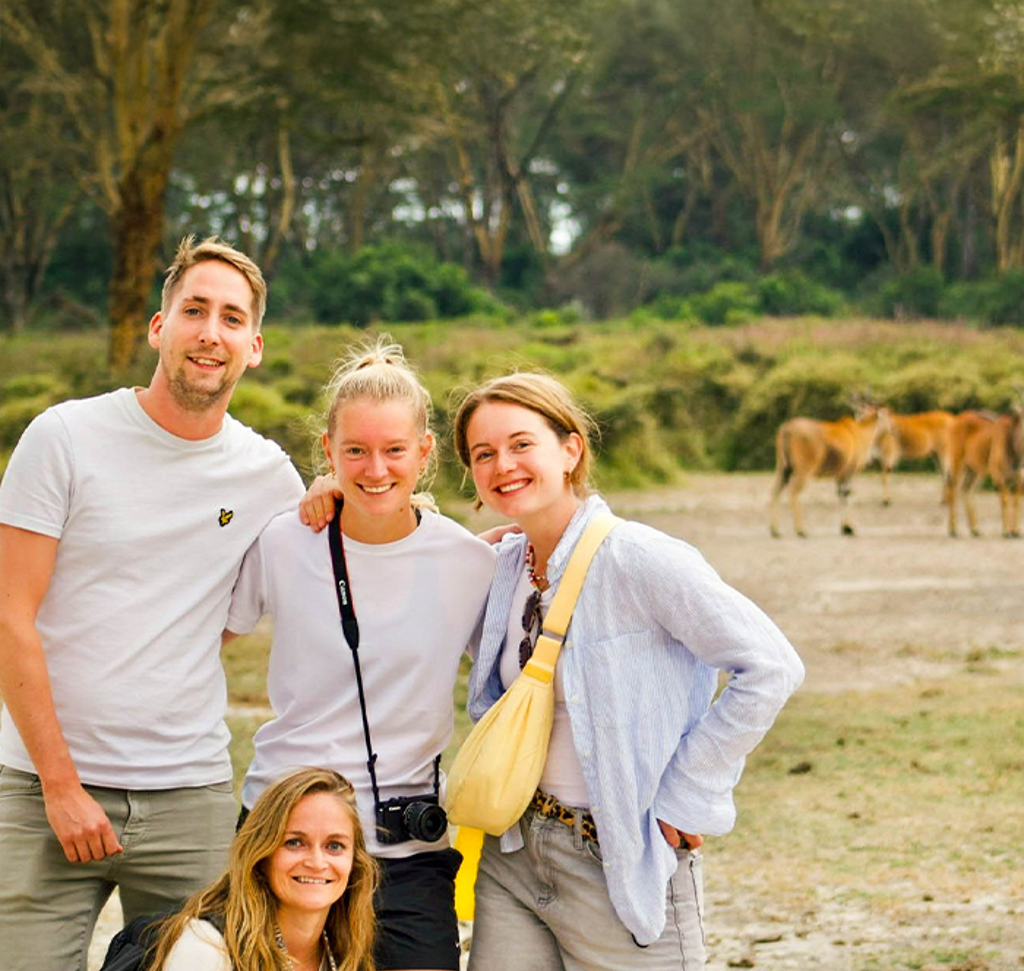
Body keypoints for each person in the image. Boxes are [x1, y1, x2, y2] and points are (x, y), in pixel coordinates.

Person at [0, 236, 305, 971]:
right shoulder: (65, 438)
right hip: (40, 788)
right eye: (194, 310)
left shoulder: (268, 475)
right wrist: (62, 787)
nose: (210, 332)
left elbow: (325, 564)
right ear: (158, 327)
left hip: (188, 793)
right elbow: (9, 615)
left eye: (232, 318)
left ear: (254, 348)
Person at [451, 371, 805, 971]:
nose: (502, 464)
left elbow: (771, 666)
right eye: (483, 454)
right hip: (511, 854)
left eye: (521, 444)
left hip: (617, 860)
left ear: (570, 449)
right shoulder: (499, 567)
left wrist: (686, 795)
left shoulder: (638, 557)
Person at [226, 338, 495, 971]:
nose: (375, 469)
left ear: (424, 451)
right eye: (355, 451)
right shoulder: (284, 539)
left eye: (394, 450)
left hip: (406, 849)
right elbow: (200, 639)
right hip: (283, 832)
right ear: (328, 450)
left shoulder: (471, 562)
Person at [145, 767, 377, 971]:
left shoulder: (346, 947)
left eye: (334, 846)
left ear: (354, 861)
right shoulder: (205, 946)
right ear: (262, 854)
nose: (317, 863)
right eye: (295, 842)